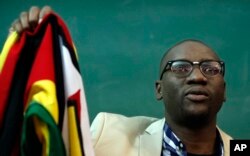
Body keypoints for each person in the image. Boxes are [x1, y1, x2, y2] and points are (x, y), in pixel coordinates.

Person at [9, 6, 232, 156]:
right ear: (159, 89)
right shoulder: (107, 133)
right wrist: (30, 54)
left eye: (210, 69)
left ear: (224, 90)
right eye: (181, 67)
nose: (197, 76)